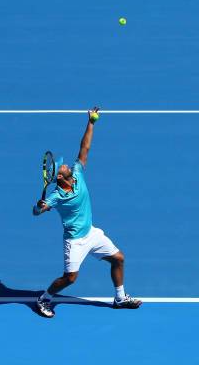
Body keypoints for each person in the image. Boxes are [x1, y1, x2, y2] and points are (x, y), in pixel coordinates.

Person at [32, 107, 141, 317]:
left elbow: (85, 147)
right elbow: (37, 212)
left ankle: (119, 298)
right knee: (70, 278)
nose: (65, 166)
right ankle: (44, 299)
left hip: (91, 233)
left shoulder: (78, 173)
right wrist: (39, 206)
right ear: (60, 177)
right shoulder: (55, 196)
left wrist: (91, 122)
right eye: (62, 167)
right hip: (75, 241)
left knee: (119, 258)